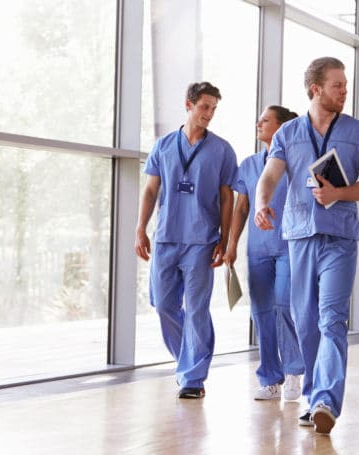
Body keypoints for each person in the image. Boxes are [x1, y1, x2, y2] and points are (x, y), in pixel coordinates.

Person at [254, 57, 359, 434]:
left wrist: (340, 193)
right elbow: (269, 176)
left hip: (340, 238)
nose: (345, 90)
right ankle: (313, 397)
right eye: (337, 85)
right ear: (316, 89)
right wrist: (262, 204)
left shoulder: (357, 132)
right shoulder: (288, 133)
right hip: (299, 237)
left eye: (345, 84)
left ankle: (326, 398)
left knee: (331, 319)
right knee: (306, 321)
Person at [135, 81, 237, 399]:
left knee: (196, 309)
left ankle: (193, 377)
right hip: (166, 238)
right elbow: (151, 190)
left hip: (202, 240)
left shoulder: (222, 150)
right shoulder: (164, 146)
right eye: (204, 106)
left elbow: (227, 198)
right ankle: (187, 360)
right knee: (163, 304)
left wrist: (224, 237)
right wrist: (140, 228)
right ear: (188, 105)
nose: (209, 114)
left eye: (214, 109)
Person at [224, 105, 304, 402]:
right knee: (261, 313)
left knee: (284, 305)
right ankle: (270, 377)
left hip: (289, 245)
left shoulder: (295, 163)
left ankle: (295, 370)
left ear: (283, 127)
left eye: (266, 120)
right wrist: (231, 244)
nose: (259, 123)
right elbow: (241, 207)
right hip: (257, 249)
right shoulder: (248, 164)